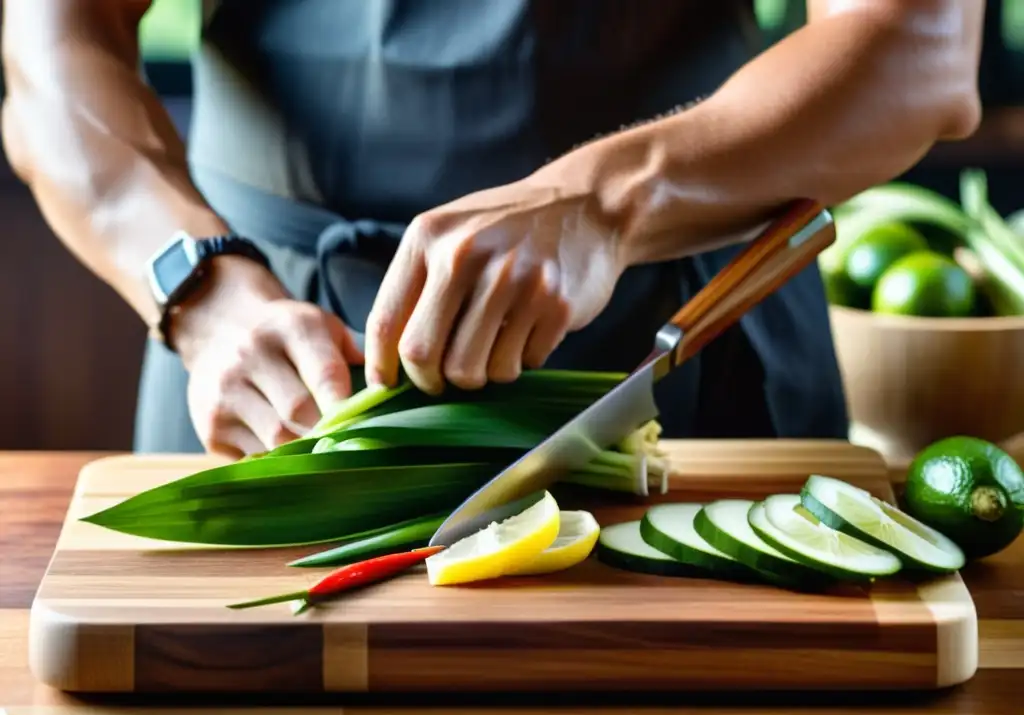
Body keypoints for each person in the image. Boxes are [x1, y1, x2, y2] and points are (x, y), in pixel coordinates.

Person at [2, 0, 983, 459]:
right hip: (257, 372)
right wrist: (197, 285)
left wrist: (606, 200)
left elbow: (919, 46)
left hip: (682, 350)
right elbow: (53, 37)